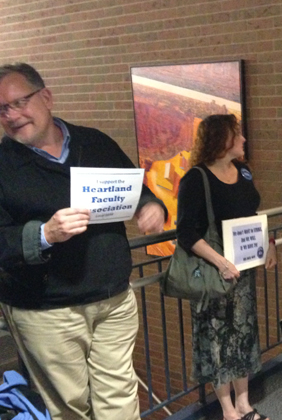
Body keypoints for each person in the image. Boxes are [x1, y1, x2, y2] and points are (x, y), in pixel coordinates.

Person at [0, 63, 167, 420]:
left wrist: (151, 206)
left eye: (19, 102)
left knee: (120, 397)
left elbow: (135, 189)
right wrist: (44, 234)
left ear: (46, 96)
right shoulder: (3, 164)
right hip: (47, 310)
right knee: (68, 407)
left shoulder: (95, 142)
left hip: (113, 298)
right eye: (2, 109)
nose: (11, 115)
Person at [176, 114, 276, 420]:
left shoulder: (243, 172)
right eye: (238, 134)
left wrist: (268, 243)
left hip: (242, 270)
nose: (244, 139)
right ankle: (228, 410)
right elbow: (186, 232)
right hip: (214, 273)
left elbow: (251, 212)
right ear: (222, 139)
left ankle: (244, 404)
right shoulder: (196, 178)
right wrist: (220, 262)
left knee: (243, 335)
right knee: (218, 339)